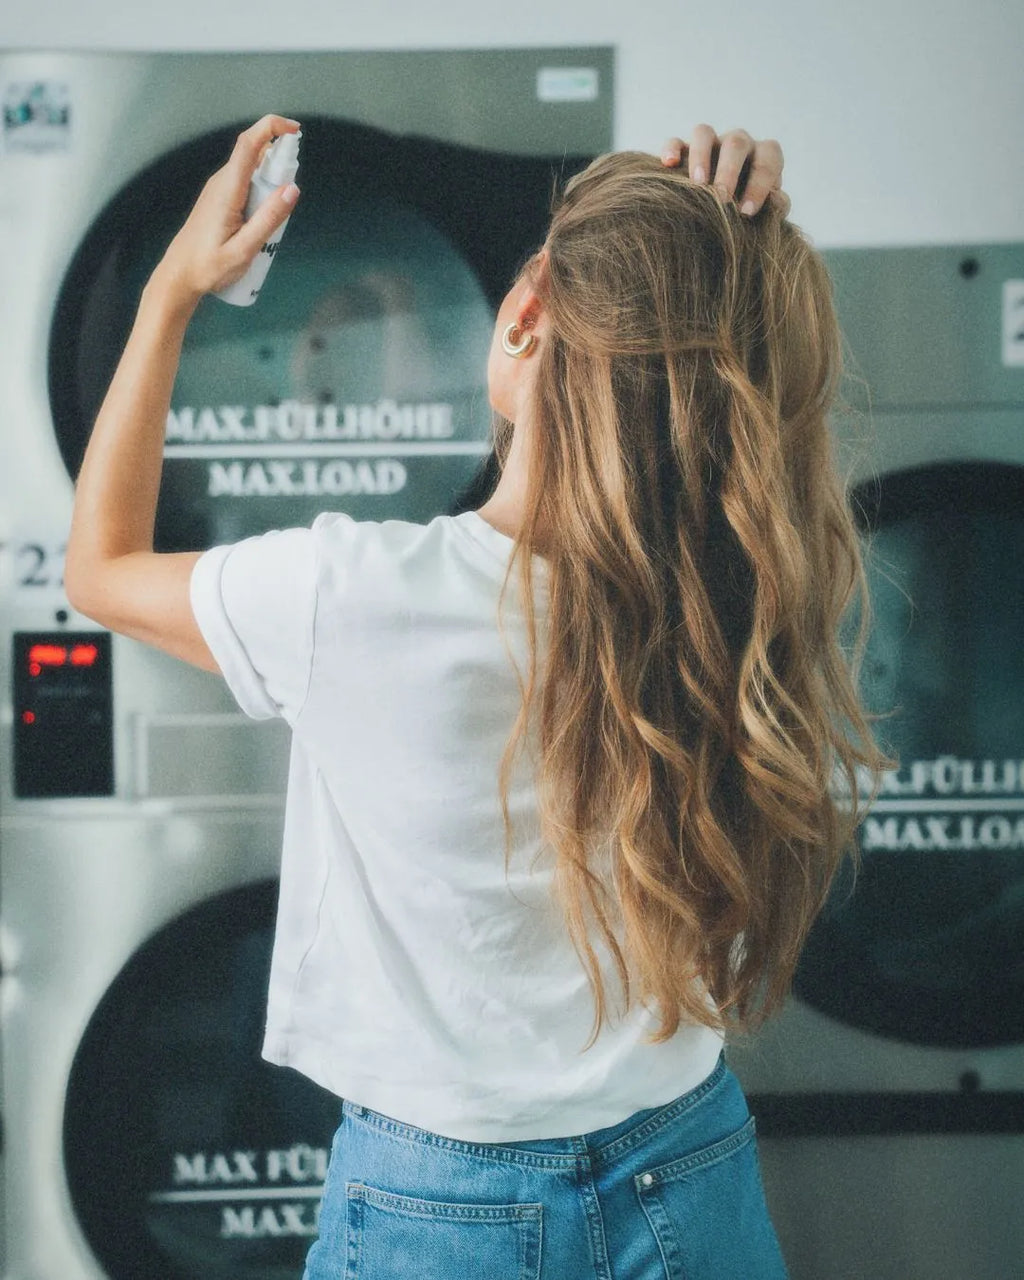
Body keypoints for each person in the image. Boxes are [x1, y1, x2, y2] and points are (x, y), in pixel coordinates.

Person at [65, 116, 884, 1279]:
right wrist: (737, 258)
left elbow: (98, 566)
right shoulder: (736, 600)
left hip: (432, 1208)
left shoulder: (346, 593)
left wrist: (167, 294)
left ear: (526, 316)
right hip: (688, 1171)